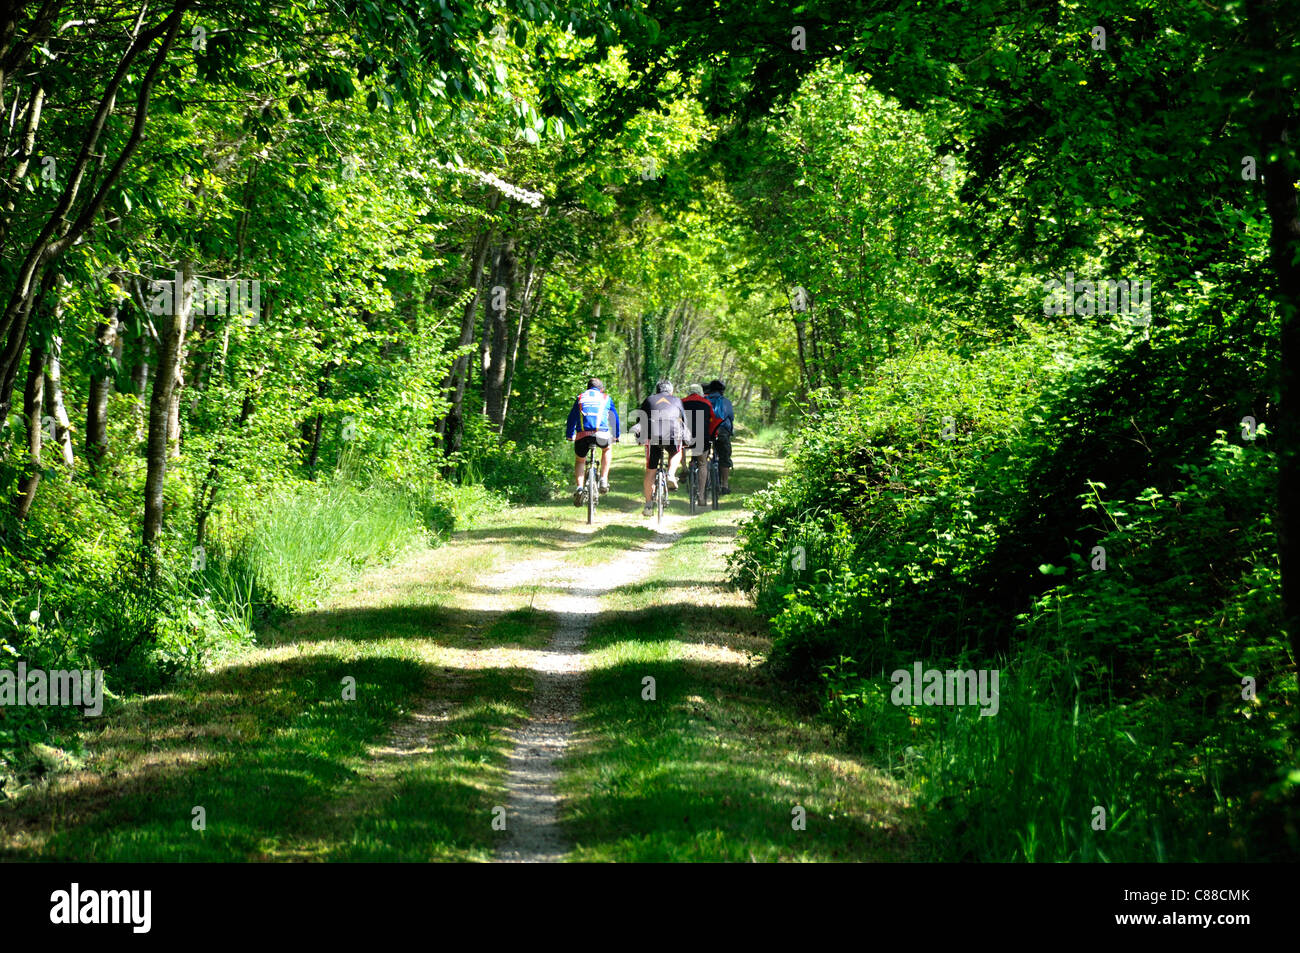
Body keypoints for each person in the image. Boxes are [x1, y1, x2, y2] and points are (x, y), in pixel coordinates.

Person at [631, 379, 690, 517]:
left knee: (650, 471)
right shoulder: (676, 400)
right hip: (673, 433)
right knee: (676, 452)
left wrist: (640, 437)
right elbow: (684, 421)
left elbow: (640, 420)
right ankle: (670, 474)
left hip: (653, 434)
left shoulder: (649, 399)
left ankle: (648, 505)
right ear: (671, 391)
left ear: (657, 390)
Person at [565, 377, 620, 505]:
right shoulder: (606, 398)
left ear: (587, 388)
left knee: (580, 460)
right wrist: (616, 436)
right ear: (601, 389)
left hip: (582, 435)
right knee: (607, 449)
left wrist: (569, 435)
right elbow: (615, 417)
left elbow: (571, 418)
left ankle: (579, 488)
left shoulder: (580, 397)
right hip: (601, 433)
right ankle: (603, 479)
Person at [682, 384, 723, 504]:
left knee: (680, 450)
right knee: (702, 464)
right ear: (700, 392)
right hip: (702, 437)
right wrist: (711, 434)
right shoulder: (706, 403)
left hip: (686, 437)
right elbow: (714, 420)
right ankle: (701, 496)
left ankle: (684, 468)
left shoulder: (681, 402)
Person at [703, 379, 735, 494]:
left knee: (701, 456)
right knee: (724, 457)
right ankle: (724, 485)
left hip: (705, 431)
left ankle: (699, 479)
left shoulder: (704, 400)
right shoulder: (726, 402)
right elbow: (730, 418)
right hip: (722, 432)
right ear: (722, 391)